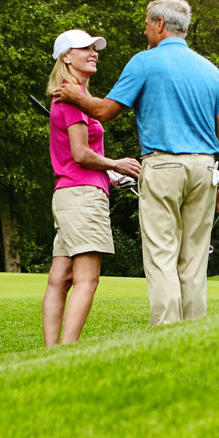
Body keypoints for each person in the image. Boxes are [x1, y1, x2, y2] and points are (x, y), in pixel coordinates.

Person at [56, 0, 219, 326]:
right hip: (205, 169)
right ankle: (194, 331)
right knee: (194, 259)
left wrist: (75, 96)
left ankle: (167, 332)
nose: (144, 30)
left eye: (146, 23)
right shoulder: (210, 70)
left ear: (159, 24)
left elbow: (105, 111)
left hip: (164, 166)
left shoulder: (144, 62)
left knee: (161, 255)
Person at [41, 28, 142, 346]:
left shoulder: (72, 95)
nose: (93, 52)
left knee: (60, 277)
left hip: (68, 193)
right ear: (66, 57)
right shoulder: (71, 97)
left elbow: (77, 155)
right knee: (87, 279)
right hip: (83, 195)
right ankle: (66, 351)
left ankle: (51, 352)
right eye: (85, 48)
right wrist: (116, 164)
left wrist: (109, 174)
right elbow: (81, 153)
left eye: (94, 47)